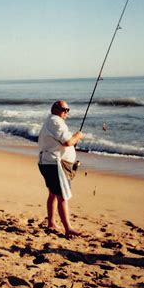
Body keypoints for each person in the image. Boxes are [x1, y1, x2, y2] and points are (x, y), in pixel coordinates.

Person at [38, 100, 84, 238]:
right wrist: (78, 136)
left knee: (53, 193)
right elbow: (67, 141)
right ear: (57, 110)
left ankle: (51, 223)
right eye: (65, 110)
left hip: (48, 162)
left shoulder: (52, 121)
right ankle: (68, 228)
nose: (67, 112)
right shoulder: (55, 122)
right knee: (62, 196)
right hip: (54, 165)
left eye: (68, 110)